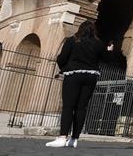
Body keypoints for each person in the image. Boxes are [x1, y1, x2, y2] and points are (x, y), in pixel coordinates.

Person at [46, 20, 115, 148]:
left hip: (74, 74)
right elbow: (106, 60)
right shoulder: (98, 43)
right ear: (94, 31)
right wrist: (109, 50)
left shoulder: (72, 41)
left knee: (68, 107)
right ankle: (74, 139)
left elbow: (62, 58)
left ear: (80, 29)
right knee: (81, 107)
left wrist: (65, 68)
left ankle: (62, 138)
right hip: (91, 76)